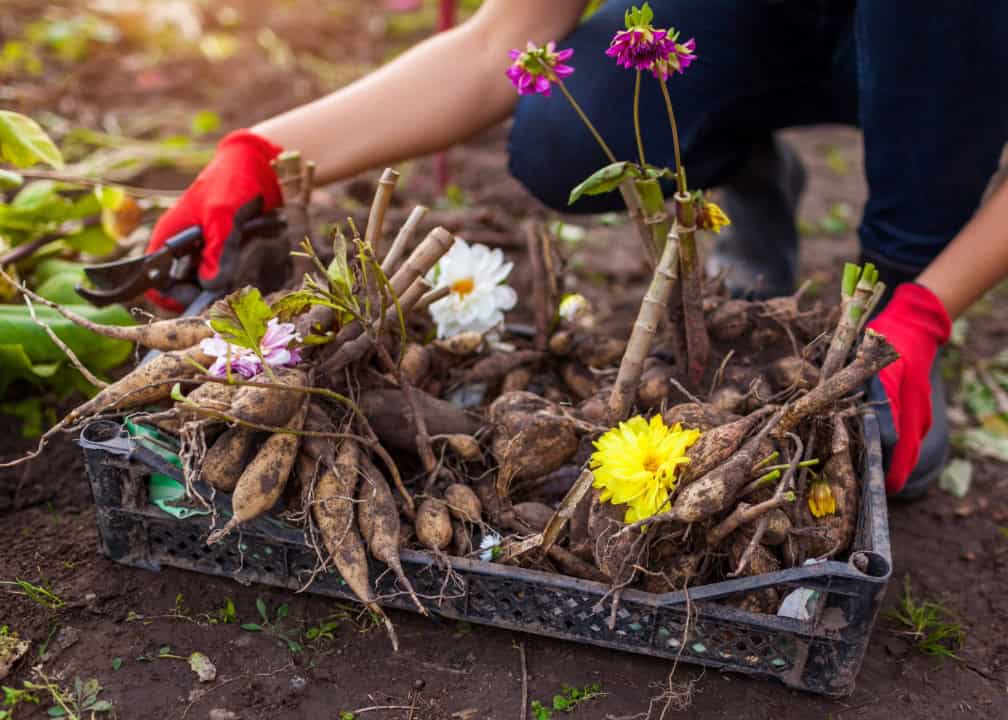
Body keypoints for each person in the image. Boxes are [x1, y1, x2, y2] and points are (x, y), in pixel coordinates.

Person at [144, 0, 1008, 498]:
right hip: (762, 26)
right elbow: (497, 49)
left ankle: (905, 284)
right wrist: (261, 154)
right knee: (564, 128)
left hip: (954, 49)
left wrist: (930, 308)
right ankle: (739, 164)